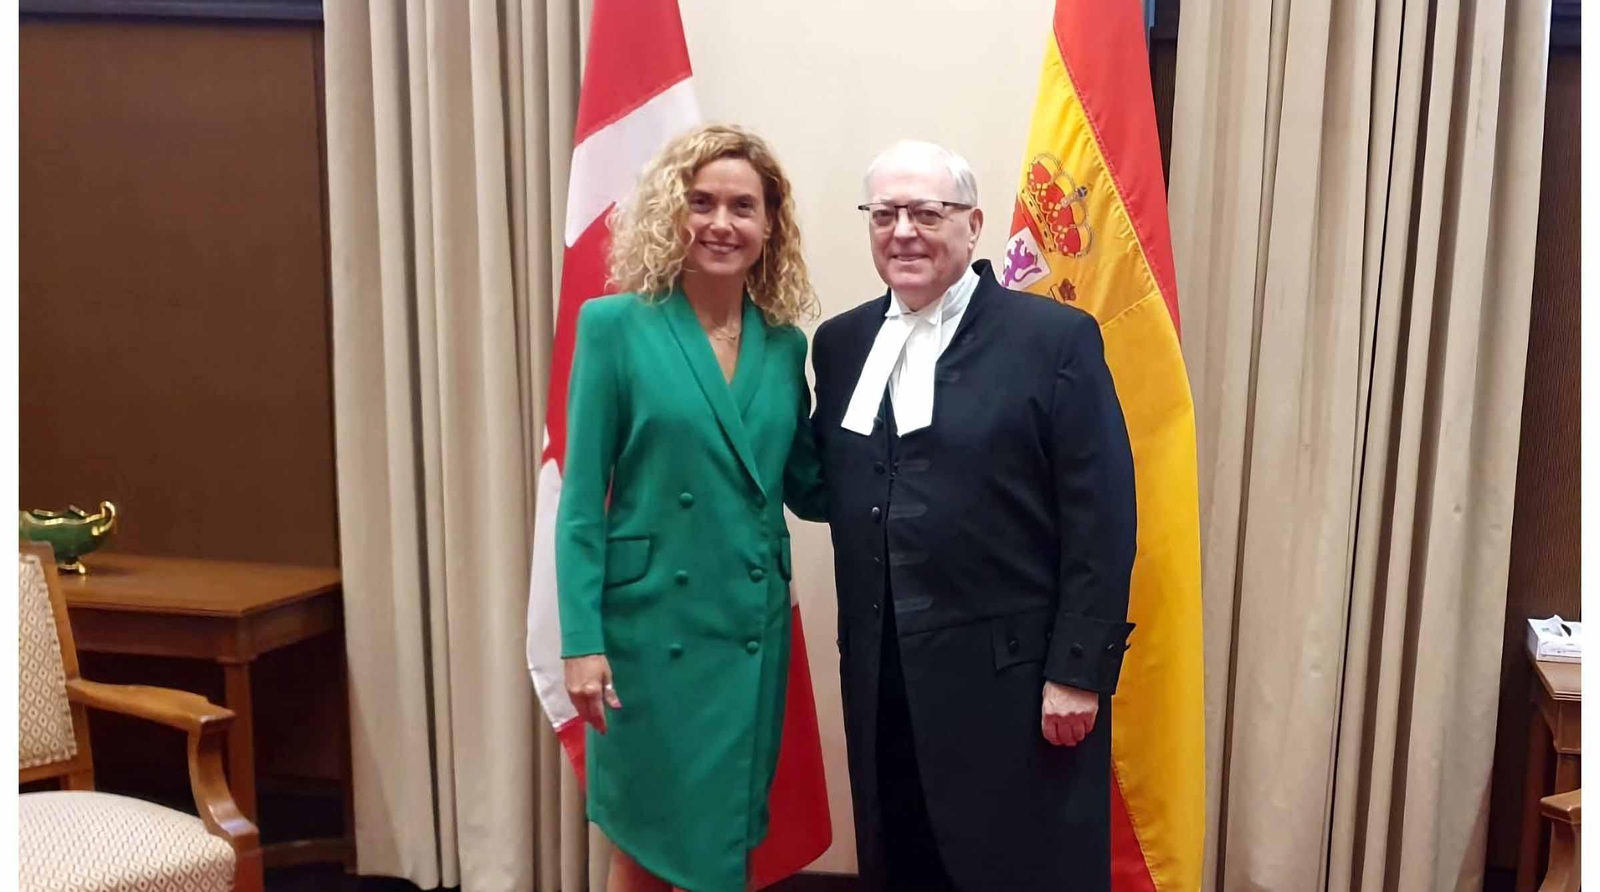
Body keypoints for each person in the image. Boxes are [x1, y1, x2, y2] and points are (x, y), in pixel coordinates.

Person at [807, 140, 1138, 892]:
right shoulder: (842, 344)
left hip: (1016, 685)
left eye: (928, 212)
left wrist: (1077, 673)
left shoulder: (1053, 339)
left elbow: (1103, 517)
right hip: (882, 673)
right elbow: (823, 484)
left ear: (973, 224)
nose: (903, 231)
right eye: (884, 213)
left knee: (1018, 870)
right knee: (904, 859)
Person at [556, 123, 826, 892]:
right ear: (672, 213)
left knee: (724, 838)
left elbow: (808, 482)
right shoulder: (614, 326)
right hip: (646, 635)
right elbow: (580, 504)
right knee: (642, 840)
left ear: (769, 224)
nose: (720, 222)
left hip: (746, 629)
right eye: (700, 201)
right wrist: (580, 641)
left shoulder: (784, 347)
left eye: (742, 206)